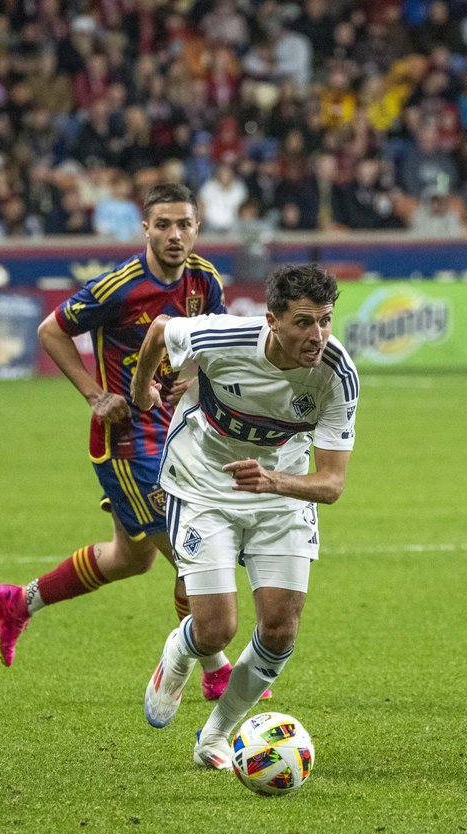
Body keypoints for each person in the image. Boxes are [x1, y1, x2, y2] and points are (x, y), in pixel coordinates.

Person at [0, 183, 257, 703]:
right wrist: (94, 394)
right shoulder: (119, 288)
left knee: (131, 558)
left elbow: (211, 336)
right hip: (128, 444)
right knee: (191, 552)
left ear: (197, 227)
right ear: (146, 230)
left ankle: (19, 602)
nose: (174, 235)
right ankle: (215, 671)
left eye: (184, 224)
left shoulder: (205, 279)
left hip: (177, 434)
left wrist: (194, 375)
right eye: (163, 225)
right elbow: (51, 330)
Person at [129, 263, 359, 769]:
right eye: (303, 322)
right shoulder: (224, 336)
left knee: (280, 630)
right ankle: (178, 653)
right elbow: (159, 332)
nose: (317, 335)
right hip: (202, 483)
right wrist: (142, 386)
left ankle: (215, 736)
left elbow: (332, 484)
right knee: (215, 629)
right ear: (272, 320)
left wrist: (274, 481)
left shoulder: (337, 374)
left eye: (325, 320)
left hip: (279, 492)